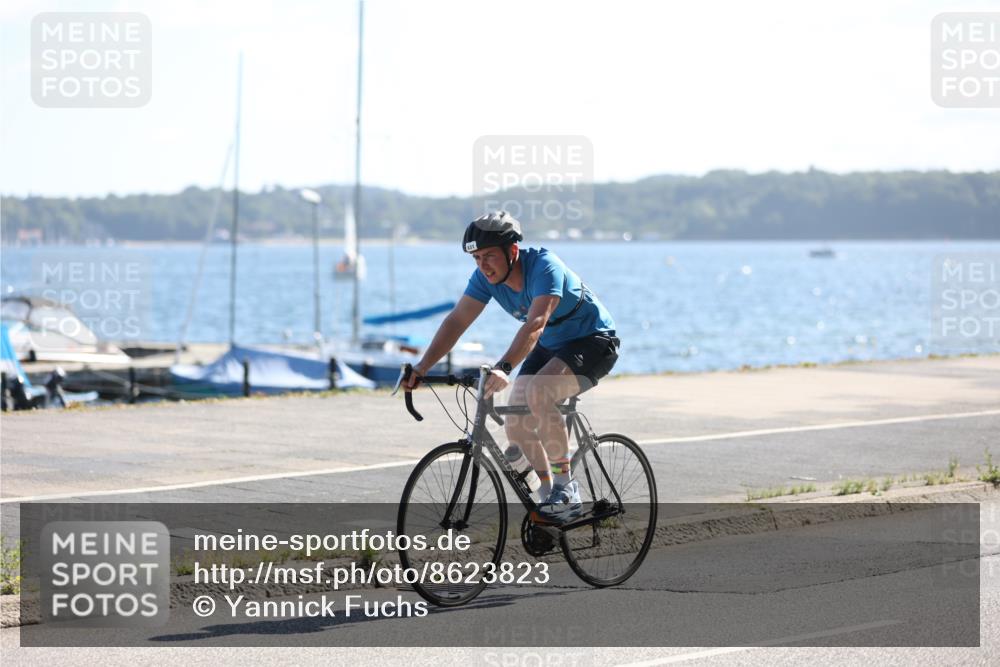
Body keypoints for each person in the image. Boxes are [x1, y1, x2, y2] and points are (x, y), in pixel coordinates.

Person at [404, 210, 620, 523]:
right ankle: (548, 497)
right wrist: (422, 367)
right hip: (551, 346)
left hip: (593, 340)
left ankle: (566, 488)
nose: (483, 265)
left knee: (539, 394)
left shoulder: (545, 267)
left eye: (489, 255)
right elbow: (456, 321)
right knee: (516, 422)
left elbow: (535, 323)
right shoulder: (485, 278)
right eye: (477, 258)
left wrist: (504, 366)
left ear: (512, 251)